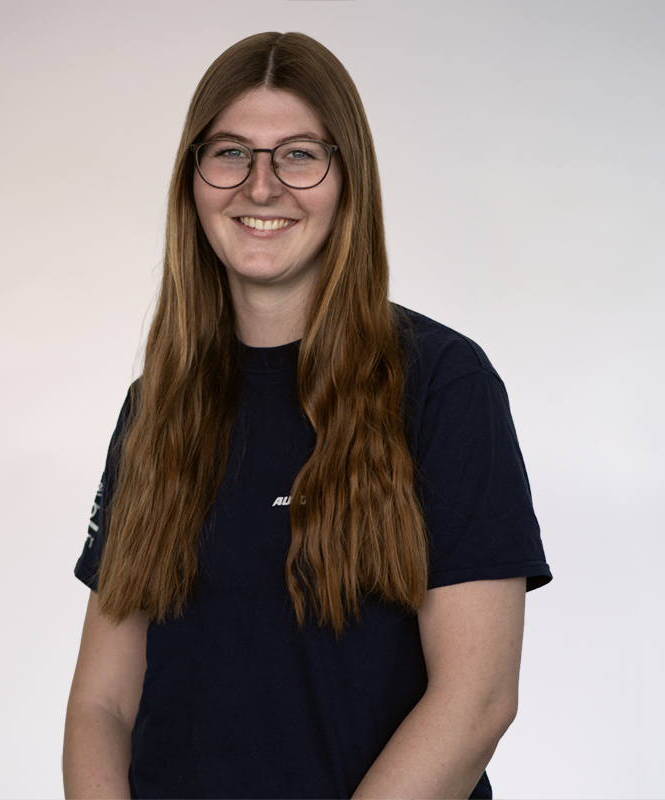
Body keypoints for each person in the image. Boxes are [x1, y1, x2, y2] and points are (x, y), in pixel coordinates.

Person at [62, 31, 551, 800]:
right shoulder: (157, 406)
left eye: (298, 155)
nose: (260, 187)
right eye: (230, 153)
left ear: (348, 178)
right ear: (193, 179)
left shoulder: (442, 386)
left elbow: (477, 700)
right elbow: (102, 703)